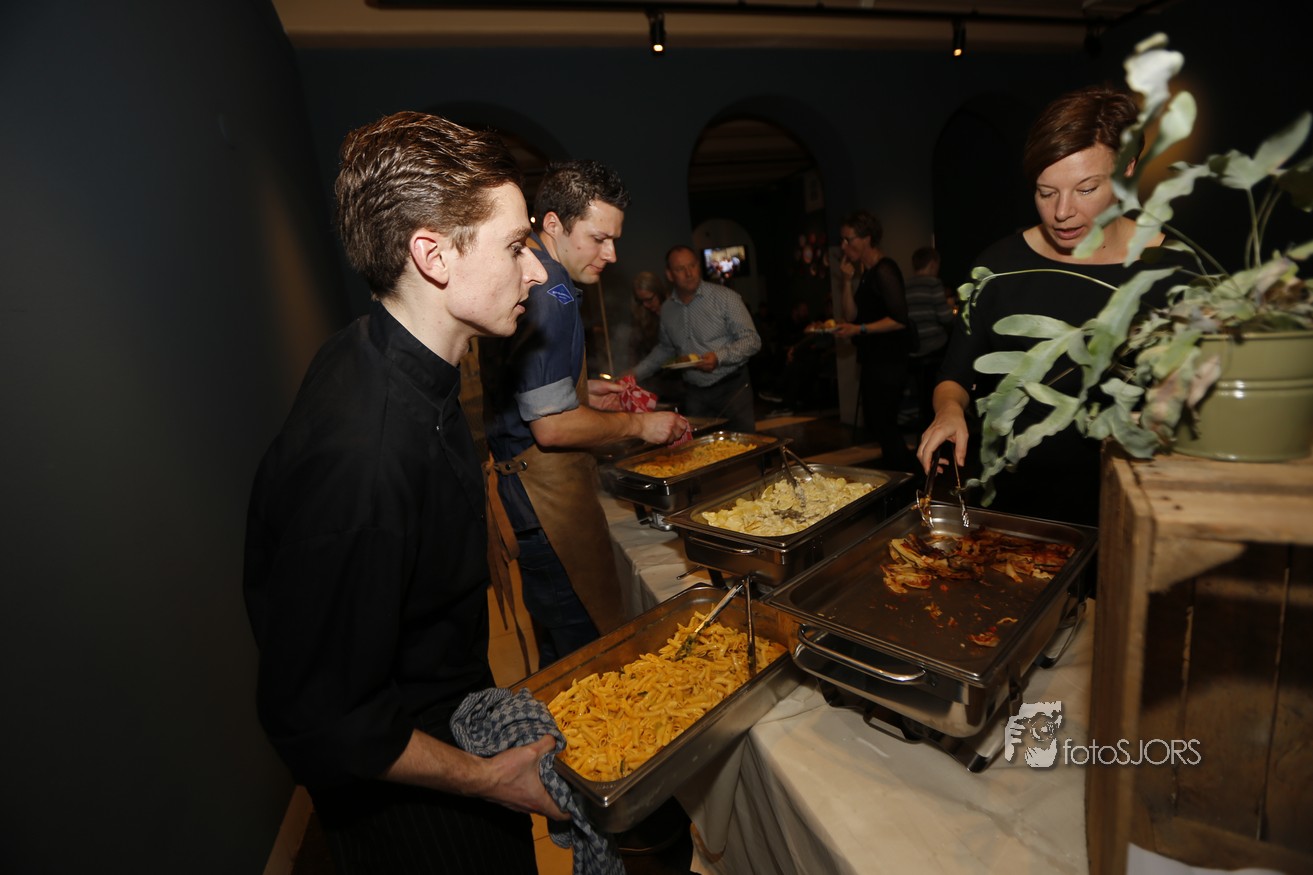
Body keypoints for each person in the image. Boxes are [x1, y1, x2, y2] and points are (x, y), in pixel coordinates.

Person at [243, 111, 566, 874]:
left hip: (447, 716)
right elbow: (322, 720)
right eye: (515, 245)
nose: (537, 272)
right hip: (415, 810)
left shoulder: (372, 349)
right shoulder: (367, 454)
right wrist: (489, 778)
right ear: (433, 254)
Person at [917, 85, 1189, 526]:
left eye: (1086, 189)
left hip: (1128, 508)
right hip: (1012, 509)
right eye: (1046, 192)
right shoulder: (998, 268)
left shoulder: (1173, 269)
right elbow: (955, 375)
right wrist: (949, 410)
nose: (1062, 212)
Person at [480, 160, 685, 667]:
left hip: (522, 493)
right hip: (543, 501)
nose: (611, 255)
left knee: (559, 647)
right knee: (587, 657)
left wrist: (582, 389)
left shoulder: (531, 272)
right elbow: (551, 428)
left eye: (614, 240)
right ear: (553, 224)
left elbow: (530, 388)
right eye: (598, 239)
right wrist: (642, 424)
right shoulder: (551, 293)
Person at [630, 244, 763, 433]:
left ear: (699, 266)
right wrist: (634, 374)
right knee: (701, 446)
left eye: (692, 265)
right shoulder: (667, 309)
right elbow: (665, 349)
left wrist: (719, 357)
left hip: (732, 388)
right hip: (695, 392)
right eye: (680, 269)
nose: (689, 273)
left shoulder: (725, 298)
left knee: (743, 443)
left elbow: (752, 340)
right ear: (669, 275)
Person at [833, 210, 920, 472]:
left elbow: (899, 319)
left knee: (885, 424)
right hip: (874, 359)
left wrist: (859, 329)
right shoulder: (867, 272)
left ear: (867, 238)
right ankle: (903, 476)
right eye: (842, 240)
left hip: (889, 360)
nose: (843, 246)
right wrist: (846, 282)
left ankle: (909, 477)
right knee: (879, 425)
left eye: (848, 239)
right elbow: (851, 315)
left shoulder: (885, 269)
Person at [903, 246, 955, 430]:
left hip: (913, 348)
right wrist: (950, 305)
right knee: (960, 349)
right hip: (932, 346)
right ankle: (953, 404)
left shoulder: (906, 285)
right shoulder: (933, 283)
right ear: (933, 264)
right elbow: (946, 318)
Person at [628, 270, 683, 404]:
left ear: (659, 292)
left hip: (681, 382)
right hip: (656, 384)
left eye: (649, 299)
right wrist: (633, 372)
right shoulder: (642, 317)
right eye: (641, 301)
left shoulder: (677, 309)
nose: (646, 305)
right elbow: (636, 350)